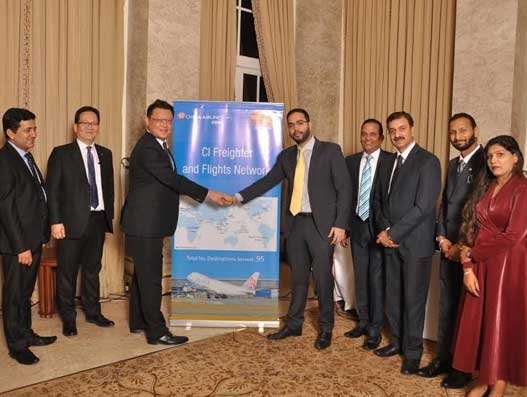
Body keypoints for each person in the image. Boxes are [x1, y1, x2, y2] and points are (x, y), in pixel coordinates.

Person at [234, 108, 352, 350]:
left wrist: (341, 224)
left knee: (322, 279)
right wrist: (238, 196)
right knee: (297, 277)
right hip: (296, 224)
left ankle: (326, 327)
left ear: (310, 123)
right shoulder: (287, 156)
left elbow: (345, 189)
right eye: (291, 125)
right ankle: (294, 324)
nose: (296, 128)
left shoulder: (330, 151)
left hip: (323, 226)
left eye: (300, 123)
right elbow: (268, 181)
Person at [120, 99, 232, 345]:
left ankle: (139, 321)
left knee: (143, 274)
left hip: (148, 223)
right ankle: (157, 331)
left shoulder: (159, 146)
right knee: (150, 278)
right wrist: (209, 193)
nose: (164, 125)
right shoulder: (149, 148)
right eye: (159, 120)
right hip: (144, 224)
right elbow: (173, 180)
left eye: (168, 121)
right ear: (147, 121)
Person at [452, 135, 527, 397]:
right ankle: (486, 376)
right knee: (482, 320)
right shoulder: (487, 185)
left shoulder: (522, 189)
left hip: (508, 266)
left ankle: (498, 382)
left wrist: (472, 253)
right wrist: (468, 264)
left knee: (501, 321)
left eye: (500, 155)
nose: (493, 160)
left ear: (515, 157)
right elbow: (473, 227)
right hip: (483, 261)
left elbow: (514, 235)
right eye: (490, 155)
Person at [417, 113, 484, 387]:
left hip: (470, 251)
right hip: (448, 249)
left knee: (466, 312)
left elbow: (480, 211)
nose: (457, 136)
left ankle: (463, 369)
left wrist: (461, 245)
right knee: (446, 306)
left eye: (463, 130)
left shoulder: (487, 163)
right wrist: (442, 237)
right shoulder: (454, 163)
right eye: (453, 132)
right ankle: (443, 359)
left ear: (475, 131)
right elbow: (445, 203)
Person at [372, 111, 441, 374]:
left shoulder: (428, 162)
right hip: (389, 241)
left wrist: (394, 233)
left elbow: (423, 207)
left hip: (414, 244)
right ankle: (398, 343)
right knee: (393, 297)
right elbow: (379, 200)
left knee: (413, 301)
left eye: (402, 128)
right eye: (392, 130)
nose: (397, 134)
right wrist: (383, 230)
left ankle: (412, 353)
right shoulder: (388, 162)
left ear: (412, 128)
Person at [46, 106, 115, 337]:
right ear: (76, 127)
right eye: (85, 123)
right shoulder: (61, 153)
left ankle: (93, 312)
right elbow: (52, 191)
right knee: (67, 272)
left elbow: (109, 189)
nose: (90, 127)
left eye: (94, 123)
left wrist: (108, 217)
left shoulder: (106, 153)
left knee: (92, 270)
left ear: (98, 126)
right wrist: (55, 221)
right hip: (70, 222)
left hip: (97, 221)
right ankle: (68, 318)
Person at [0, 108, 56, 365]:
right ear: (11, 133)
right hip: (17, 244)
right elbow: (7, 209)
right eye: (28, 130)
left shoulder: (26, 157)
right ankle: (17, 346)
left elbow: (35, 198)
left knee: (24, 293)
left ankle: (27, 333)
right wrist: (21, 247)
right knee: (14, 294)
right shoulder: (5, 161)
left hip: (33, 238)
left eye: (34, 128)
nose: (34, 134)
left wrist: (42, 233)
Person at [342, 118, 391, 350]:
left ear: (381, 138)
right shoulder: (350, 162)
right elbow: (345, 196)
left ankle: (375, 329)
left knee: (376, 279)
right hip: (357, 225)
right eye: (364, 134)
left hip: (380, 228)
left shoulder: (391, 161)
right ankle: (362, 321)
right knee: (359, 276)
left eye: (373, 134)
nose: (367, 138)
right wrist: (343, 226)